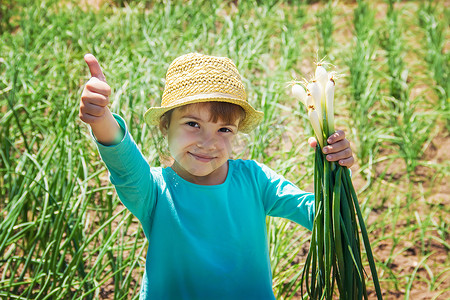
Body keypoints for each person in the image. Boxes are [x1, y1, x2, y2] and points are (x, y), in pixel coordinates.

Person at [79, 52, 354, 299]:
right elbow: (123, 161)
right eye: (193, 124)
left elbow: (323, 215)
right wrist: (101, 116)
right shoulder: (153, 191)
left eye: (224, 130)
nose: (208, 142)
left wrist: (334, 169)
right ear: (166, 126)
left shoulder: (255, 180)